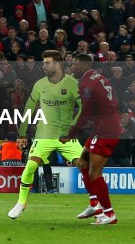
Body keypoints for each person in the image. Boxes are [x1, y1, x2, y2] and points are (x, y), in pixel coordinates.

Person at [9, 51, 81, 219]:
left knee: (85, 166)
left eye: (47, 63)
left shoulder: (72, 83)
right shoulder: (40, 84)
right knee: (30, 166)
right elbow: (29, 107)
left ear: (57, 65)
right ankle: (21, 202)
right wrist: (22, 132)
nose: (43, 66)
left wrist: (73, 127)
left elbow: (83, 107)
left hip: (66, 136)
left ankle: (96, 204)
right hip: (44, 135)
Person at [67, 54, 122, 225]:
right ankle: (94, 204)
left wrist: (72, 133)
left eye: (75, 63)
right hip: (103, 127)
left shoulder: (87, 82)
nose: (72, 66)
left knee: (94, 173)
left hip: (107, 130)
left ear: (84, 65)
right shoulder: (97, 77)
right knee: (82, 163)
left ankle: (109, 214)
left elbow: (85, 112)